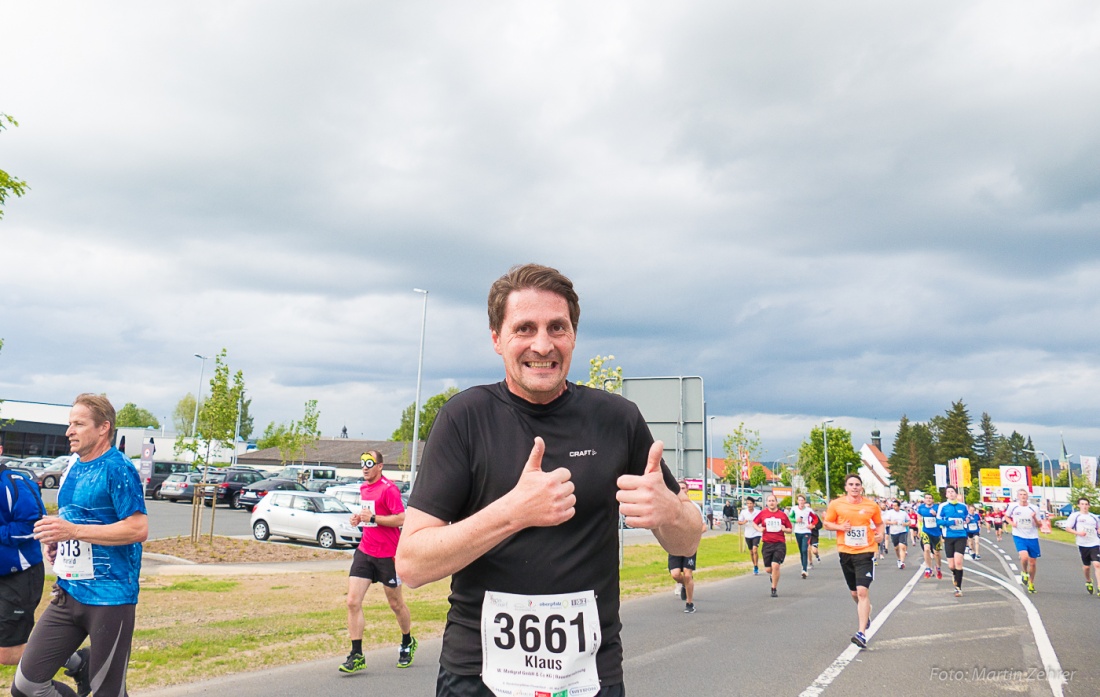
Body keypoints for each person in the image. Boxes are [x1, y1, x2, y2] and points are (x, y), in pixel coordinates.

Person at [394, 263, 704, 697]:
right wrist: (513, 512)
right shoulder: (464, 418)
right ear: (497, 339)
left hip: (587, 679)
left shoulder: (617, 419)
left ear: (573, 336)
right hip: (479, 676)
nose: (543, 345)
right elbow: (411, 564)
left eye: (557, 327)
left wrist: (671, 511)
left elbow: (686, 542)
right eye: (525, 328)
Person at [16, 394, 148, 697]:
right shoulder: (74, 466)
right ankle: (82, 666)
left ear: (103, 428)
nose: (69, 431)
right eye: (69, 424)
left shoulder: (117, 468)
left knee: (107, 693)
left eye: (78, 424)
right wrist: (58, 542)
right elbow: (74, 520)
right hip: (69, 591)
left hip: (109, 598)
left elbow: (138, 528)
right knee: (27, 686)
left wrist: (72, 530)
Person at [339, 450, 417, 674]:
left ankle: (407, 641)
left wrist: (372, 518)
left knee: (396, 604)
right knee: (352, 602)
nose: (365, 467)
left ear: (380, 466)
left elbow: (401, 518)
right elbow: (369, 516)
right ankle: (357, 655)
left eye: (369, 463)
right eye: (362, 463)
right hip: (365, 552)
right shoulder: (364, 488)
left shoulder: (389, 489)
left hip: (388, 556)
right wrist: (359, 519)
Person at [823, 474, 883, 649]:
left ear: (861, 487)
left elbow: (879, 523)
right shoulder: (836, 504)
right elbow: (827, 523)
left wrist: (880, 535)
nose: (855, 487)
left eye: (857, 484)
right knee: (854, 594)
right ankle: (866, 613)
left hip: (866, 552)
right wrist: (840, 527)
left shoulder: (871, 506)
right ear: (846, 487)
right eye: (851, 484)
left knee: (863, 591)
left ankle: (861, 633)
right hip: (846, 552)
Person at [0, 445, 46, 668]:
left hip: (19, 576)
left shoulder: (15, 482)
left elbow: (34, 526)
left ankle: (74, 660)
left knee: (7, 653)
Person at [668, 481, 708, 613]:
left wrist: (693, 535)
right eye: (678, 488)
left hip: (689, 545)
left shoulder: (694, 507)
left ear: (688, 490)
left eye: (683, 488)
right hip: (674, 545)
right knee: (675, 574)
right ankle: (685, 585)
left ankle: (689, 604)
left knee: (688, 574)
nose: (681, 490)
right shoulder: (671, 507)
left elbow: (703, 526)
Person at [1005, 488, 1044, 593]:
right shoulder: (1013, 506)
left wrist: (1034, 518)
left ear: (1027, 496)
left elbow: (1039, 525)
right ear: (1018, 496)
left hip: (1032, 536)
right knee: (1024, 557)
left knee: (1033, 563)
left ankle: (1031, 582)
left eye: (1025, 494)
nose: (1023, 496)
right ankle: (1024, 572)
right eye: (1021, 494)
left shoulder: (1034, 508)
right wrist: (1012, 523)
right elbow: (1006, 516)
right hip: (1019, 535)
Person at [754, 495, 792, 597]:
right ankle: (773, 575)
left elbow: (790, 529)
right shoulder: (763, 513)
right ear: (767, 503)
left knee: (775, 565)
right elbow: (754, 523)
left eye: (773, 501)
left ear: (776, 502)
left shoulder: (782, 515)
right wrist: (759, 529)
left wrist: (785, 529)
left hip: (779, 544)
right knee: (768, 569)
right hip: (767, 544)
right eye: (769, 501)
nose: (771, 503)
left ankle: (773, 588)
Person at [937, 486, 969, 597]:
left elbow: (967, 518)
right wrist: (950, 523)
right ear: (946, 495)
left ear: (956, 494)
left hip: (961, 536)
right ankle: (955, 574)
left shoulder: (963, 506)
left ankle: (958, 588)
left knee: (959, 562)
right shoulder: (943, 506)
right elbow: (938, 521)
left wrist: (967, 520)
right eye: (948, 492)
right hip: (949, 536)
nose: (951, 494)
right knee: (951, 565)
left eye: (952, 492)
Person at [1064, 497, 1100, 596]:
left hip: (1095, 543)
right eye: (1082, 504)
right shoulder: (1075, 516)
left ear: (1089, 506)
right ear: (1079, 505)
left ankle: (1099, 587)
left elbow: (1098, 529)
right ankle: (1088, 580)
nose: (1084, 506)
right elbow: (1068, 528)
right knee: (1086, 567)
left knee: (1097, 564)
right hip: (1083, 544)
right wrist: (1078, 533)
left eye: (1086, 504)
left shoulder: (1094, 517)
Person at [917, 493, 943, 580]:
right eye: (926, 498)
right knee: (927, 549)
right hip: (926, 531)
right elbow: (919, 517)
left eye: (930, 498)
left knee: (937, 553)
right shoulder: (921, 508)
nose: (928, 499)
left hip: (936, 532)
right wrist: (919, 528)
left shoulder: (937, 507)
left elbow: (942, 518)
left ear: (932, 500)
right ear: (924, 500)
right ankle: (928, 568)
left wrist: (935, 514)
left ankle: (938, 568)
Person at [789, 495, 816, 578]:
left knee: (805, 549)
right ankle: (803, 566)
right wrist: (795, 520)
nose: (801, 502)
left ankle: (804, 570)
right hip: (798, 531)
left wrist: (812, 525)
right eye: (799, 500)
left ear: (804, 501)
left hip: (806, 531)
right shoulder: (794, 509)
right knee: (801, 550)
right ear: (798, 501)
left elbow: (815, 519)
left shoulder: (808, 510)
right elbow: (790, 517)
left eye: (802, 500)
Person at [738, 497, 763, 574]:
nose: (749, 505)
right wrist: (744, 522)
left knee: (755, 549)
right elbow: (739, 522)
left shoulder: (758, 512)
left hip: (756, 533)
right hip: (748, 534)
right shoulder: (744, 512)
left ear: (754, 504)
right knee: (751, 552)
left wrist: (760, 527)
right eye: (748, 503)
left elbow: (762, 521)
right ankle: (754, 565)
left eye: (751, 503)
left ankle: (756, 566)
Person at [882, 499, 908, 570]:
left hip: (902, 531)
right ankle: (899, 559)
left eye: (896, 506)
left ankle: (902, 562)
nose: (894, 507)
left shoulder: (903, 513)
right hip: (894, 532)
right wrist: (893, 522)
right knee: (896, 548)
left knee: (902, 546)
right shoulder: (890, 513)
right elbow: (886, 521)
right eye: (893, 506)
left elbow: (909, 522)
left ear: (899, 506)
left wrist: (905, 524)